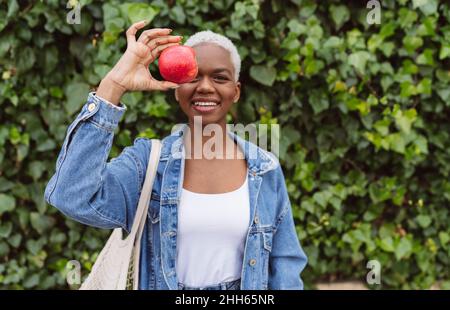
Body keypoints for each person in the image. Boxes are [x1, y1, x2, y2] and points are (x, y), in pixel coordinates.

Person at [44, 20, 307, 290]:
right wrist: (113, 86)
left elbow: (284, 264)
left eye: (220, 77)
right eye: (193, 77)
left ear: (236, 91)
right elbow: (71, 195)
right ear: (176, 88)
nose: (205, 87)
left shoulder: (264, 168)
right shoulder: (148, 164)